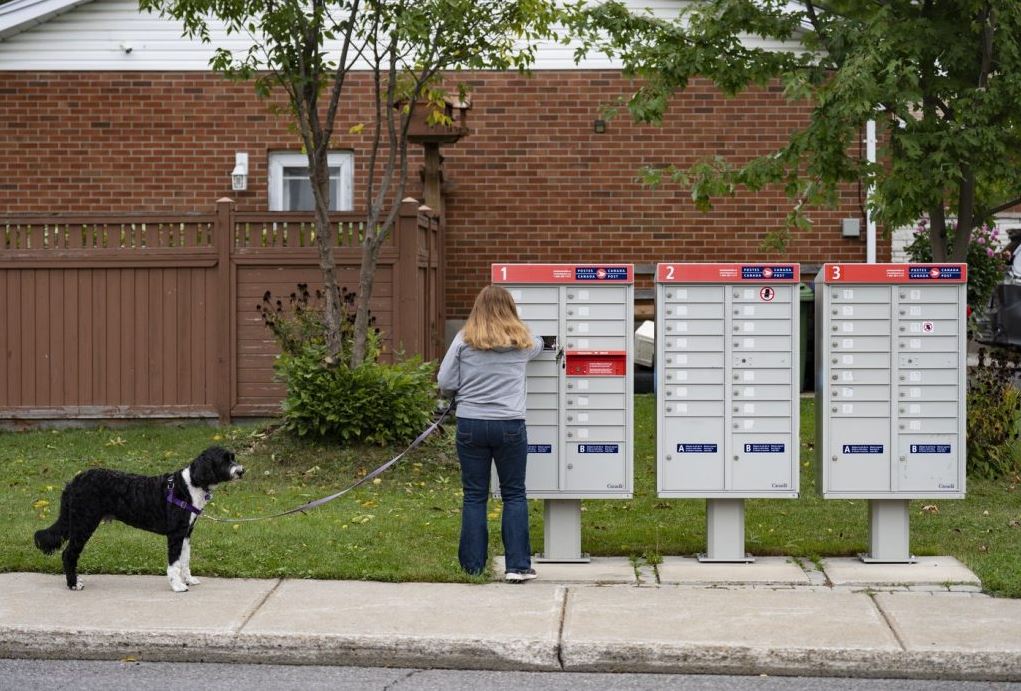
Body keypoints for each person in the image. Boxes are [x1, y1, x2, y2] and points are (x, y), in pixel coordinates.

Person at [438, 285, 544, 582]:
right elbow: (541, 343)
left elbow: (445, 380)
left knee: (474, 495)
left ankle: (473, 567)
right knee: (514, 494)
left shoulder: (463, 339)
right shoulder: (523, 343)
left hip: (471, 424)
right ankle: (518, 566)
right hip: (509, 425)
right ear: (511, 309)